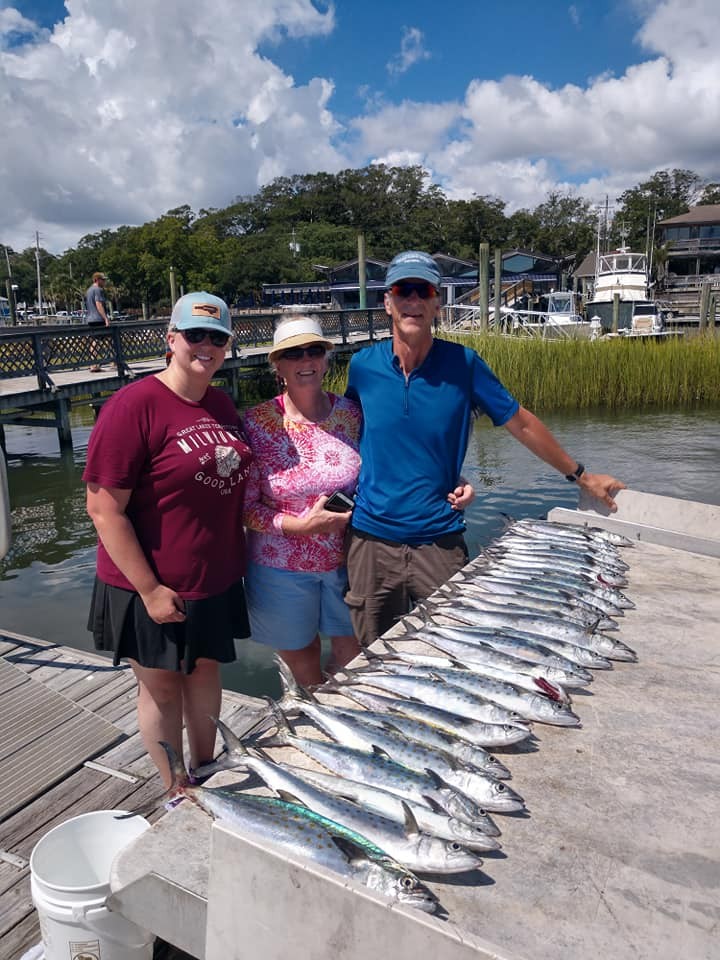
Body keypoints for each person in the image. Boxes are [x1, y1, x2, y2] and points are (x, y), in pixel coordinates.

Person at [344, 250, 626, 648]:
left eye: (422, 290)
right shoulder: (362, 367)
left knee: (455, 650)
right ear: (387, 302)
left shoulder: (465, 364)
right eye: (402, 290)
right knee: (374, 658)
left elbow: (521, 422)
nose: (413, 300)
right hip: (371, 541)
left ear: (437, 302)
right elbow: (346, 434)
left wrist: (581, 476)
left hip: (439, 539)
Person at [84, 291, 253, 788]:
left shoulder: (221, 404)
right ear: (171, 339)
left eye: (217, 337)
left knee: (204, 673)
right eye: (194, 335)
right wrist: (150, 590)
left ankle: (207, 767)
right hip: (148, 584)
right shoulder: (133, 405)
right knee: (161, 688)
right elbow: (103, 508)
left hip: (213, 576)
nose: (206, 345)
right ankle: (176, 784)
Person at [243, 315, 362, 687]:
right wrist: (298, 526)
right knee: (302, 656)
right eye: (293, 353)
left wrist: (453, 480)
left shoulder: (352, 414)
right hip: (280, 567)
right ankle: (312, 718)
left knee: (353, 654)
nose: (305, 360)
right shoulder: (256, 423)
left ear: (327, 358)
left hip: (348, 560)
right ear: (277, 364)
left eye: (314, 350)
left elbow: (391, 466)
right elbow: (245, 508)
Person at [85, 271, 110, 372]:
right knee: (108, 340)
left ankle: (93, 363)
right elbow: (99, 304)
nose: (104, 282)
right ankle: (114, 362)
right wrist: (106, 318)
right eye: (103, 280)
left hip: (90, 319)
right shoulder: (98, 290)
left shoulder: (89, 290)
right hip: (98, 319)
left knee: (95, 341)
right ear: (97, 280)